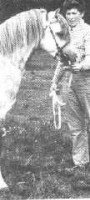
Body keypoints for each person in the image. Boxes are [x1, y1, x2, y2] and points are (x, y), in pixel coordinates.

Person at [51, 0, 90, 181]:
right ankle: (80, 163)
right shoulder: (64, 34)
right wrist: (55, 82)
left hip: (87, 81)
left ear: (82, 14)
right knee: (76, 125)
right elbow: (61, 61)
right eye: (68, 14)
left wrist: (81, 66)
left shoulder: (88, 31)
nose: (71, 17)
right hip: (71, 83)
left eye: (75, 13)